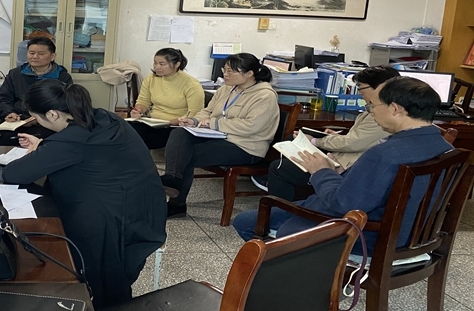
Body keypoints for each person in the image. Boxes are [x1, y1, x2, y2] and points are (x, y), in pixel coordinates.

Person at [232, 77, 453, 253]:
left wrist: (320, 171)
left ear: (395, 109)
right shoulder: (446, 148)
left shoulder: (384, 154)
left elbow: (341, 204)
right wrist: (339, 173)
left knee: (246, 222)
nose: (371, 111)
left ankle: (297, 275)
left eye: (373, 106)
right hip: (412, 233)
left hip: (365, 235)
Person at [2, 80, 166, 309]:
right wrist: (45, 145)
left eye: (36, 118)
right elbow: (85, 151)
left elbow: (13, 173)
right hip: (142, 211)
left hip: (110, 225)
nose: (36, 122)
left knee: (97, 279)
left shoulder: (69, 141)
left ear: (53, 114)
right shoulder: (106, 118)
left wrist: (44, 150)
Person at [255, 66, 399, 201]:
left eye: (361, 87)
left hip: (345, 166)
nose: (359, 92)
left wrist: (315, 141)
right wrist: (337, 137)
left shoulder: (381, 113)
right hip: (344, 157)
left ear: (380, 87)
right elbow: (360, 140)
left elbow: (354, 143)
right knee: (297, 136)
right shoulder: (375, 108)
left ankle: (281, 205)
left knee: (278, 167)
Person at [161, 53, 279, 218]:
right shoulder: (226, 89)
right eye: (225, 70)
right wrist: (194, 120)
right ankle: (172, 179)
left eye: (231, 71)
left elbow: (252, 126)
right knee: (179, 133)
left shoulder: (265, 95)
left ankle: (176, 203)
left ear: (249, 73)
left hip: (246, 146)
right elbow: (208, 111)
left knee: (185, 154)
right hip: (219, 137)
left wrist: (213, 123)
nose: (225, 74)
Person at [0, 36, 73, 145]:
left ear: (52, 56)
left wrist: (39, 118)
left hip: (48, 124)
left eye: (41, 54)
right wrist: (9, 112)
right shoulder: (15, 74)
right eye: (31, 53)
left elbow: (67, 104)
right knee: (8, 139)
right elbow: (3, 98)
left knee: (49, 142)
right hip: (18, 122)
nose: (35, 57)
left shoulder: (62, 77)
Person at [129, 48, 204, 149]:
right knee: (124, 130)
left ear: (177, 64)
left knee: (143, 139)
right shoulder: (151, 78)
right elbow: (143, 100)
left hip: (175, 125)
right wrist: (138, 110)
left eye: (162, 64)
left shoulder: (191, 84)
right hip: (152, 121)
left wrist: (169, 122)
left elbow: (195, 113)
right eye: (155, 63)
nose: (157, 67)